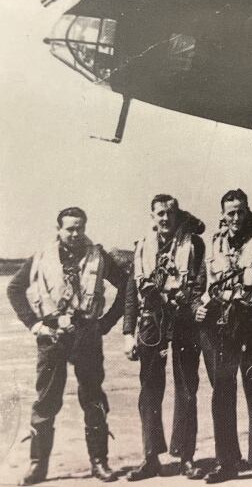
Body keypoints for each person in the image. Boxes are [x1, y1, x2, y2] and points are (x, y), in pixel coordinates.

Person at [7, 207, 128, 485]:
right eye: (70, 228)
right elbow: (14, 289)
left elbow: (126, 287)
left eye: (80, 228)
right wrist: (34, 325)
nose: (75, 234)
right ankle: (38, 466)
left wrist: (106, 322)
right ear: (58, 229)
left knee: (93, 398)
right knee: (46, 401)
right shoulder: (41, 257)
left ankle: (100, 463)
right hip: (51, 336)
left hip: (86, 336)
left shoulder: (98, 256)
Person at [193, 189, 252, 483]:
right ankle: (226, 462)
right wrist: (197, 309)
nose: (236, 218)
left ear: (248, 211)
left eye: (240, 211)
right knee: (222, 396)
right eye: (230, 212)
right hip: (220, 331)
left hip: (251, 330)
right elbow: (200, 285)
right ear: (223, 215)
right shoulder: (213, 244)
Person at [123, 195, 206, 481]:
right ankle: (150, 458)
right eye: (159, 213)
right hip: (151, 321)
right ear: (152, 216)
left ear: (177, 214)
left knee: (186, 388)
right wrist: (127, 332)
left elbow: (199, 283)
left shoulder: (193, 244)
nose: (165, 218)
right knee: (149, 390)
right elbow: (132, 293)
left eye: (170, 213)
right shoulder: (141, 247)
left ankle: (186, 456)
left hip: (184, 322)